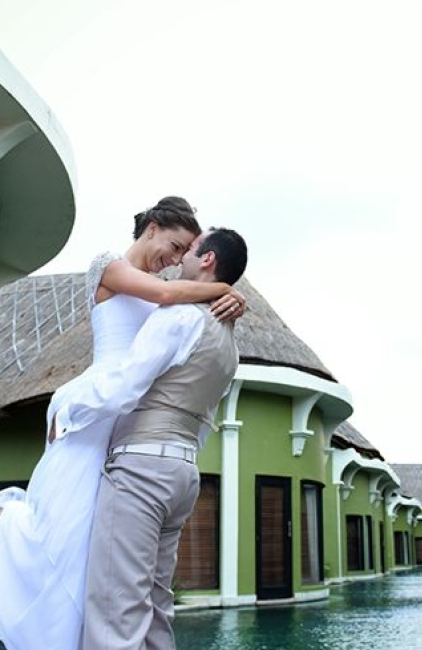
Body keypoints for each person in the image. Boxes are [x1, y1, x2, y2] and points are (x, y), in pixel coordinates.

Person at [0, 198, 244, 650]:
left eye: (186, 252)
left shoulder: (175, 303)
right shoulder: (113, 268)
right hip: (95, 413)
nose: (176, 260)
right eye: (175, 246)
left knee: (104, 569)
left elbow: (168, 342)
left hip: (130, 426)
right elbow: (168, 298)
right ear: (152, 228)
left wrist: (222, 291)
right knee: (66, 538)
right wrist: (224, 288)